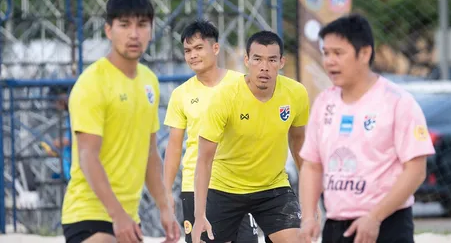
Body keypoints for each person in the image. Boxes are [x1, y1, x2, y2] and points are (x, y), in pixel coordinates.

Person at [298, 14, 436, 243]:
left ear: (364, 53)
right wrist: (308, 217)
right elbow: (312, 166)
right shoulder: (324, 103)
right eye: (326, 53)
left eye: (338, 53)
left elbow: (416, 170)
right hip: (335, 226)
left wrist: (375, 217)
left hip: (387, 224)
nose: (330, 61)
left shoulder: (397, 102)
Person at [61, 0, 180, 243]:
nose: (134, 34)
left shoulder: (149, 81)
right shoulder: (92, 83)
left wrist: (165, 208)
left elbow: (150, 153)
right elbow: (87, 156)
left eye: (142, 25)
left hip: (128, 219)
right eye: (124, 25)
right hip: (88, 214)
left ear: (151, 29)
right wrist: (117, 216)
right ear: (108, 30)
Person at [191, 30, 311, 243]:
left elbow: (299, 142)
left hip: (272, 187)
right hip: (225, 188)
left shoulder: (296, 94)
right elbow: (204, 159)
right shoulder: (225, 97)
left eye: (272, 59)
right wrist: (199, 215)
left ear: (281, 62)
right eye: (257, 59)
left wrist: (310, 200)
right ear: (247, 60)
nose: (264, 67)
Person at [163, 19, 259, 243]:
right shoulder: (181, 94)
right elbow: (174, 146)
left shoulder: (242, 84)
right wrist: (166, 190)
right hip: (195, 189)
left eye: (198, 48)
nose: (192, 55)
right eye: (187, 50)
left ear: (215, 48)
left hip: (239, 187)